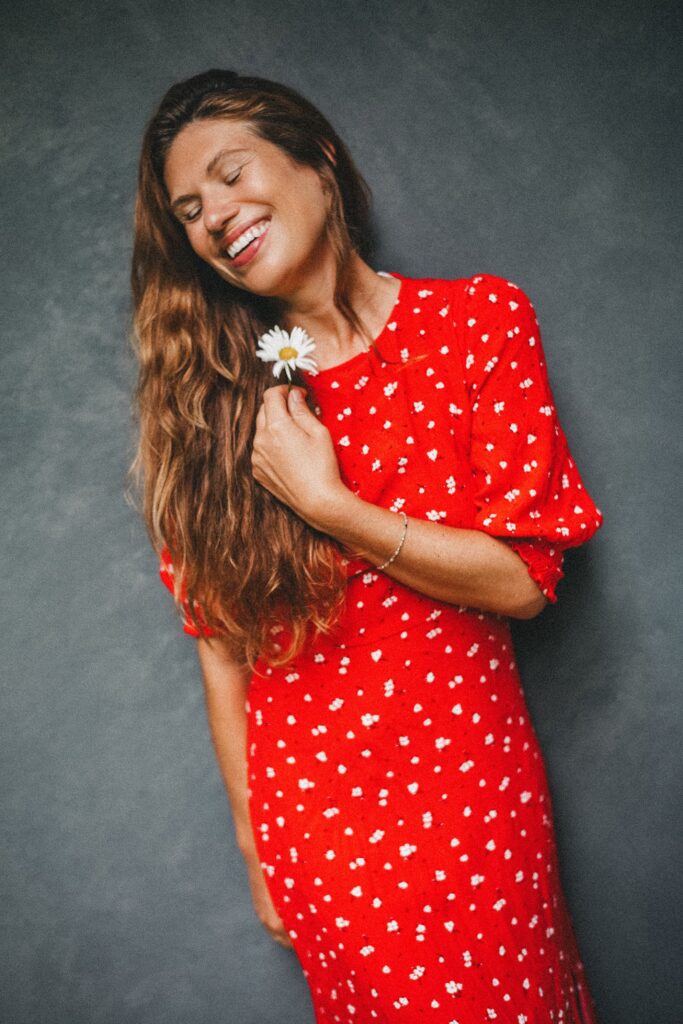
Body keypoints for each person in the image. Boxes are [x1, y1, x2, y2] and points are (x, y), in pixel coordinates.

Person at [130, 69, 604, 1023]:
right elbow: (223, 652)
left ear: (319, 158)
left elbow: (523, 580)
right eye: (189, 210)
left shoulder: (479, 322)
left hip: (476, 804)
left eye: (231, 175)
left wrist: (330, 506)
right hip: (323, 834)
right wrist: (257, 850)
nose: (215, 216)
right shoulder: (210, 408)